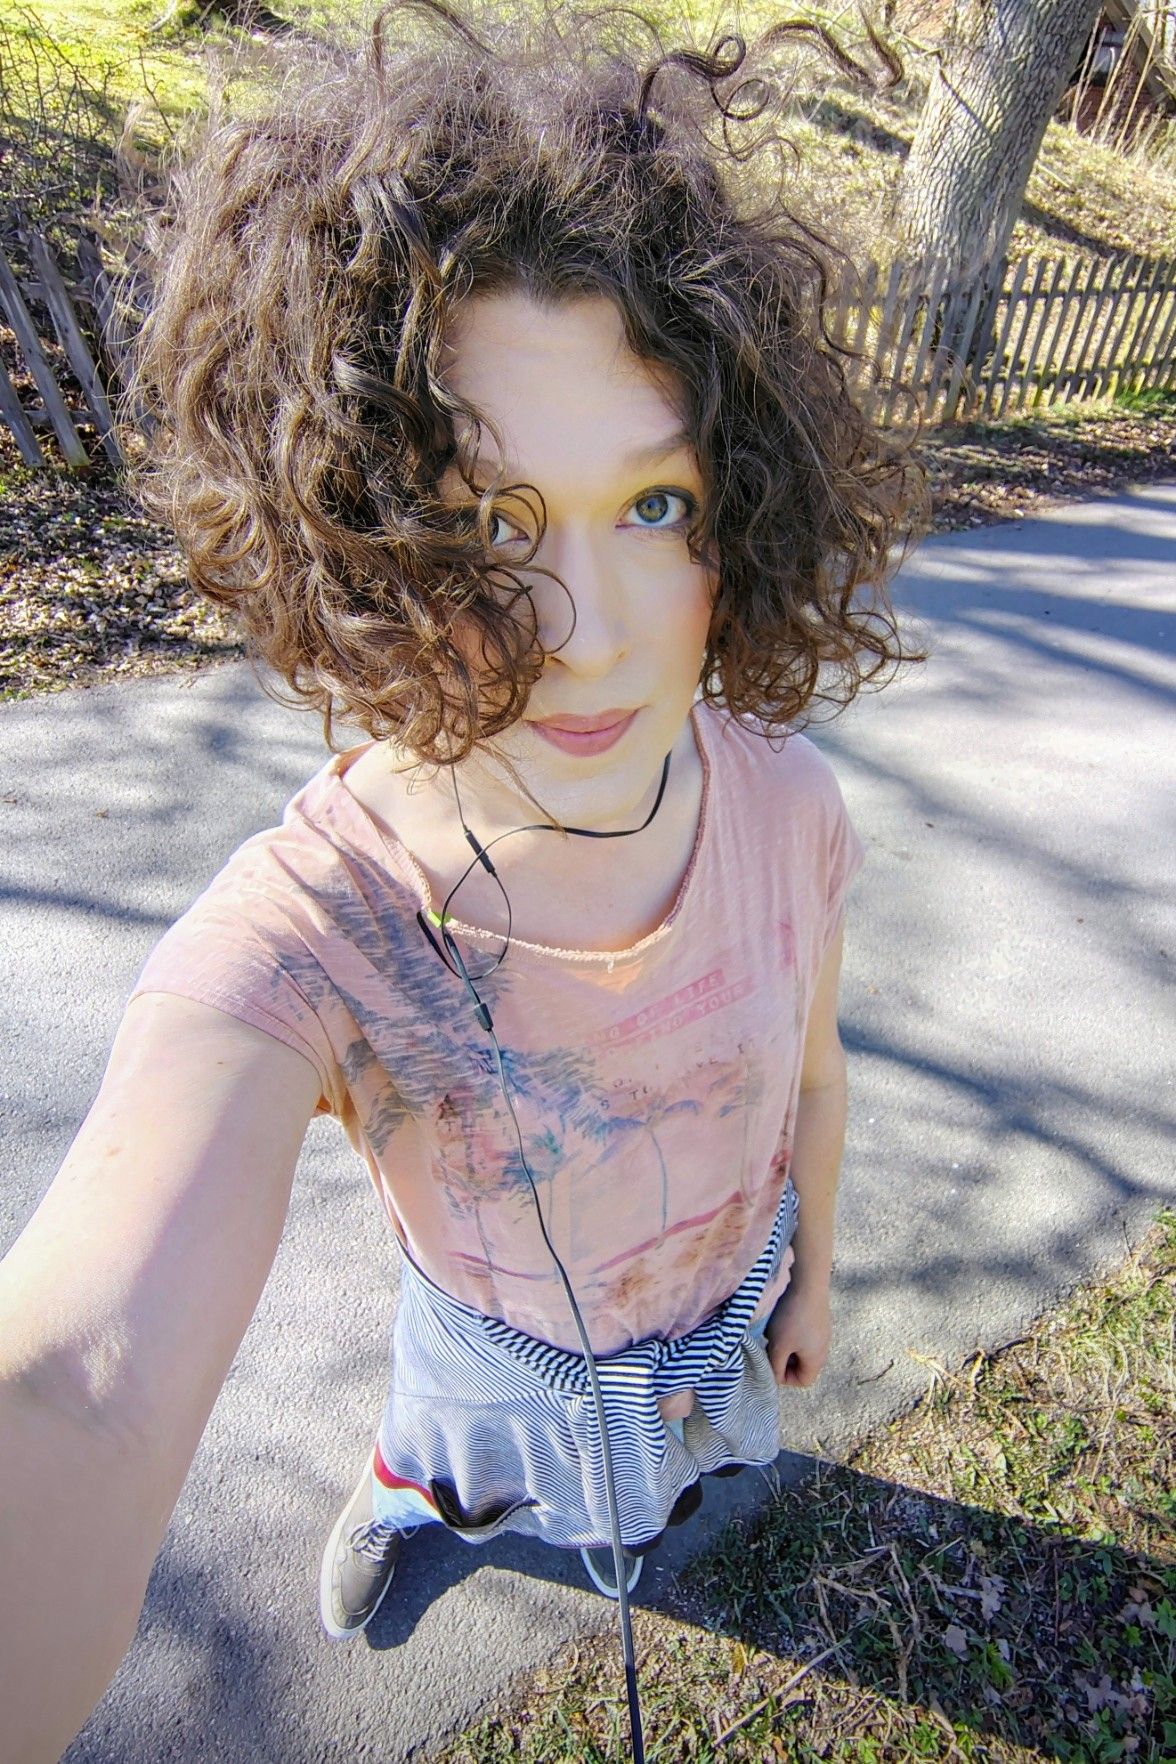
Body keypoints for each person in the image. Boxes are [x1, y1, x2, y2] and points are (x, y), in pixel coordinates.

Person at [0, 2, 926, 1756]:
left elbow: (810, 1070)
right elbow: (78, 1379)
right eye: (490, 524)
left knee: (673, 1477)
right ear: (358, 533)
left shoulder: (792, 805)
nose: (582, 641)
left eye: (652, 508)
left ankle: (646, 1506)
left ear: (742, 505)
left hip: (718, 1327)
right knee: (457, 1464)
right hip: (487, 1360)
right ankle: (416, 1512)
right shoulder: (316, 925)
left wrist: (810, 1272)